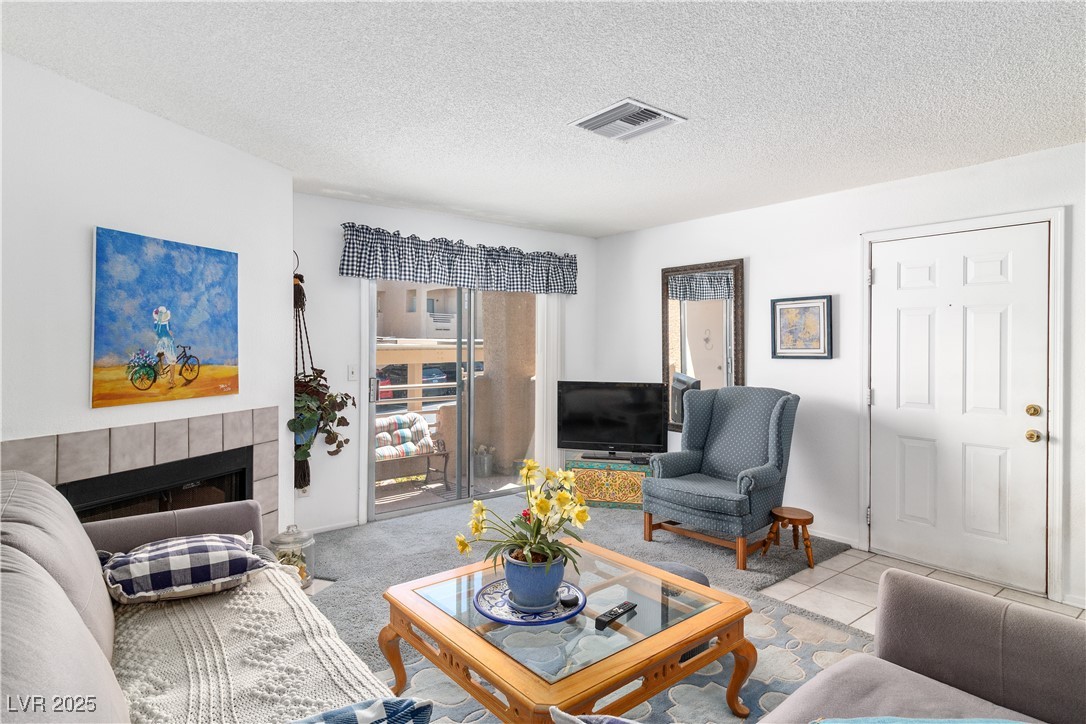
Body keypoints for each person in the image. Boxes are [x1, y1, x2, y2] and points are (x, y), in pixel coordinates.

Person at [152, 305, 177, 387]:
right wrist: (172, 337)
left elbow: (156, 333)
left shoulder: (156, 323)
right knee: (172, 361)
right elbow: (170, 333)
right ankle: (171, 380)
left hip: (160, 342)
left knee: (161, 355)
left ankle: (161, 370)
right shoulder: (167, 323)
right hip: (167, 342)